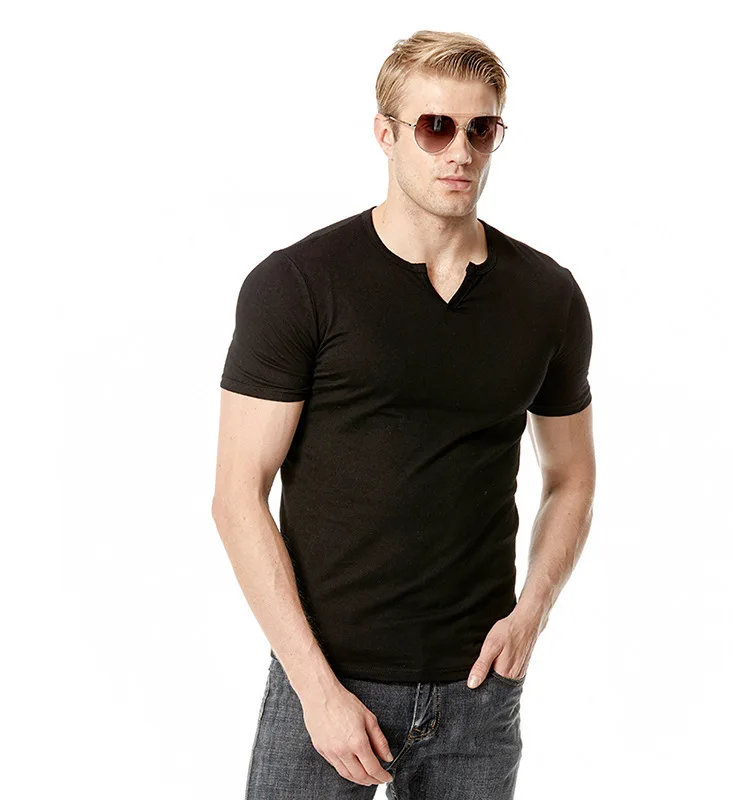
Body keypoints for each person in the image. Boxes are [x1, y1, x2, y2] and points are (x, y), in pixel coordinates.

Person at [212, 29, 596, 800]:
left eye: (481, 130)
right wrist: (317, 690)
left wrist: (533, 611)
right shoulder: (299, 284)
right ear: (385, 134)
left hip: (478, 692)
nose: (460, 152)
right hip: (327, 686)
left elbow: (572, 476)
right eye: (435, 127)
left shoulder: (546, 295)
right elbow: (236, 497)